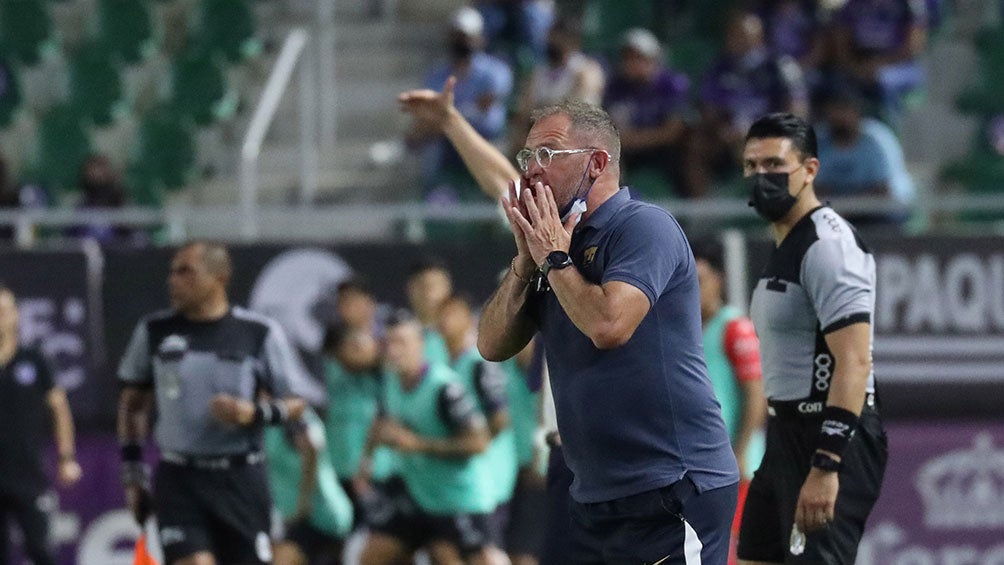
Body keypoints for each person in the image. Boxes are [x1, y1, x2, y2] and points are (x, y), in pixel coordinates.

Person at [478, 99, 740, 563]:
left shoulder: (642, 226)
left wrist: (556, 261)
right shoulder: (550, 246)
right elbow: (492, 344)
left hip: (671, 486)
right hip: (597, 493)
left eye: (546, 156)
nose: (531, 172)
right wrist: (523, 264)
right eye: (526, 159)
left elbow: (609, 325)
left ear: (596, 163)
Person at [737, 113, 888, 564]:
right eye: (751, 166)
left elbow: (855, 362)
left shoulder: (828, 246)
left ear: (810, 170)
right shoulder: (788, 242)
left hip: (825, 435)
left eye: (774, 165)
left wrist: (826, 464)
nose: (762, 177)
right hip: (784, 434)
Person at [117, 241, 306, 565]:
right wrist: (133, 475)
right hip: (180, 478)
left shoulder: (257, 333)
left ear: (219, 277)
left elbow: (297, 402)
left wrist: (254, 413)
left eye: (186, 272)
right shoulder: (154, 331)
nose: (173, 281)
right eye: (172, 272)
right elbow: (133, 404)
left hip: (239, 478)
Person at [355, 313, 494, 565]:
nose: (394, 351)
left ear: (420, 344)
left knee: (449, 557)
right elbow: (381, 422)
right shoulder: (390, 381)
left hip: (458, 499)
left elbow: (479, 442)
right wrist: (365, 462)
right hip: (418, 496)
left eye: (402, 342)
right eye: (388, 343)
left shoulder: (445, 388)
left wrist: (418, 444)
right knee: (373, 556)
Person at [692, 239, 767, 564]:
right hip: (703, 465)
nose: (693, 292)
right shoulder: (689, 331)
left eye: (700, 282)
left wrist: (740, 451)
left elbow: (756, 395)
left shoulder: (735, 327)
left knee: (732, 550)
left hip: (736, 466)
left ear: (718, 281)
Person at [0, 284, 82, 565]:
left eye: (4, 311)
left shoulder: (34, 360)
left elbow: (59, 409)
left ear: (15, 316)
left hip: (29, 476)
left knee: (41, 551)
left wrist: (66, 457)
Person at [686, 11, 808, 197]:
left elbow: (796, 111)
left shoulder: (778, 66)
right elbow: (708, 109)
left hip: (770, 135)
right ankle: (704, 210)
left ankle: (771, 204)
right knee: (696, 144)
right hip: (726, 136)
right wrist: (722, 129)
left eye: (744, 35)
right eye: (734, 35)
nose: (739, 40)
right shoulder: (720, 67)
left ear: (758, 38)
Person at [407, 6, 513, 203]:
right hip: (449, 150)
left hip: (488, 145)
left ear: (480, 38)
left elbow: (486, 104)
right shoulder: (437, 74)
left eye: (467, 36)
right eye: (457, 36)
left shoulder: (495, 70)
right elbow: (425, 119)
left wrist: (446, 118)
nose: (462, 42)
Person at [437, 295, 516, 557]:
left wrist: (476, 446)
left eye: (452, 314)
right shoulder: (445, 366)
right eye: (441, 314)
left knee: (488, 551)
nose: (444, 320)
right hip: (462, 479)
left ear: (468, 320)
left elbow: (500, 419)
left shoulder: (480, 364)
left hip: (490, 478)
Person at [603, 28, 692, 198]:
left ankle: (694, 208)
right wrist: (622, 141)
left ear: (653, 59)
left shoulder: (671, 84)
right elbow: (611, 126)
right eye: (627, 58)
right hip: (629, 153)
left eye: (638, 57)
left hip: (665, 153)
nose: (632, 63)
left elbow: (673, 131)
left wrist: (629, 139)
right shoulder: (616, 86)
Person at [813, 83, 915, 229]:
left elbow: (882, 190)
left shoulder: (876, 140)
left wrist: (848, 207)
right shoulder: (819, 142)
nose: (839, 116)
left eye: (844, 109)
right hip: (834, 213)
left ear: (857, 111)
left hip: (881, 212)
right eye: (834, 109)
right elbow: (814, 189)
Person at [266, 407, 354, 565]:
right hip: (293, 518)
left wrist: (303, 502)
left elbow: (311, 447)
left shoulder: (290, 414)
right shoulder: (262, 420)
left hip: (320, 516)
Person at [509, 16, 605, 153]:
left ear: (572, 41)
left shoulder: (585, 70)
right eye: (551, 37)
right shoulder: (539, 73)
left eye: (559, 38)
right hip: (540, 138)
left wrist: (544, 108)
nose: (552, 42)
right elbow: (525, 110)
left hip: (575, 141)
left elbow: (580, 108)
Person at [322, 322, 382, 531]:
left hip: (379, 475)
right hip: (340, 471)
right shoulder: (332, 371)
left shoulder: (387, 372)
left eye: (356, 346)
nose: (342, 359)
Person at [405, 258, 453, 366]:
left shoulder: (469, 338)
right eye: (422, 285)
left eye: (435, 285)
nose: (428, 293)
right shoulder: (399, 338)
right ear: (410, 289)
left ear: (448, 287)